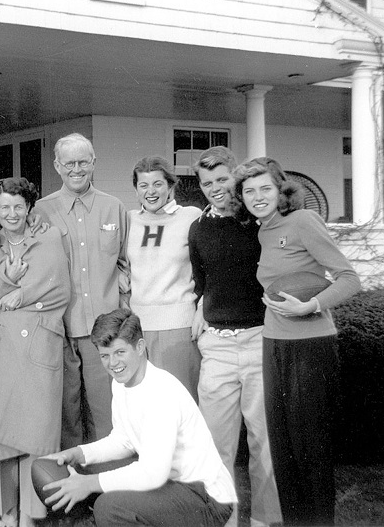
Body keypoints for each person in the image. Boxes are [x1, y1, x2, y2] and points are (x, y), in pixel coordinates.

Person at [233, 157, 361, 526]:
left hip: (311, 346)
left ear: (281, 190)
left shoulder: (303, 221)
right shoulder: (262, 230)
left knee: (310, 449)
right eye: (249, 190)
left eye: (265, 188)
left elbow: (349, 278)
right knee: (284, 449)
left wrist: (311, 304)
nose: (257, 196)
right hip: (274, 343)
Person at [42, 308, 237, 527]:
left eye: (120, 352)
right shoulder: (122, 383)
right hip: (175, 486)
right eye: (104, 356)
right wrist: (79, 454)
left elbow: (153, 474)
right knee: (89, 474)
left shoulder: (161, 392)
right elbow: (124, 440)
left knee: (109, 506)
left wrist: (90, 484)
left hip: (207, 498)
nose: (113, 363)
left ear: (140, 347)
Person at [0, 177, 71, 527]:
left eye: (18, 205)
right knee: (2, 433)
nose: (12, 213)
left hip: (40, 343)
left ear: (30, 207)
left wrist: (20, 294)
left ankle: (30, 513)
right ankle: (8, 513)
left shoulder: (49, 236)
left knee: (35, 431)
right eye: (4, 207)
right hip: (4, 347)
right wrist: (10, 283)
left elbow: (59, 288)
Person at [189, 147, 282, 527]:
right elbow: (203, 282)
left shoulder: (260, 224)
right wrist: (200, 308)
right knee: (215, 446)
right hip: (217, 347)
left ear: (236, 179)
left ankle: (263, 520)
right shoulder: (198, 229)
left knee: (265, 443)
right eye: (207, 183)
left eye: (223, 180)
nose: (215, 189)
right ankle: (225, 520)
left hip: (260, 340)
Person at [33, 132, 129, 449]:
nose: (77, 169)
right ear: (57, 165)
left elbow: (126, 262)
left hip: (104, 330)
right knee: (65, 414)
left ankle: (107, 485)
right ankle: (70, 485)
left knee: (106, 413)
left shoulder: (113, 207)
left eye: (83, 162)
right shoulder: (41, 211)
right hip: (58, 328)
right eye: (69, 163)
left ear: (93, 163)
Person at [125, 155, 202, 397]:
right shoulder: (128, 220)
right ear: (136, 190)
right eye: (143, 185)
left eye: (158, 184)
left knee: (181, 401)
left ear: (170, 186)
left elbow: (210, 265)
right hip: (138, 328)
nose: (151, 191)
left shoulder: (190, 216)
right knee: (146, 403)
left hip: (179, 327)